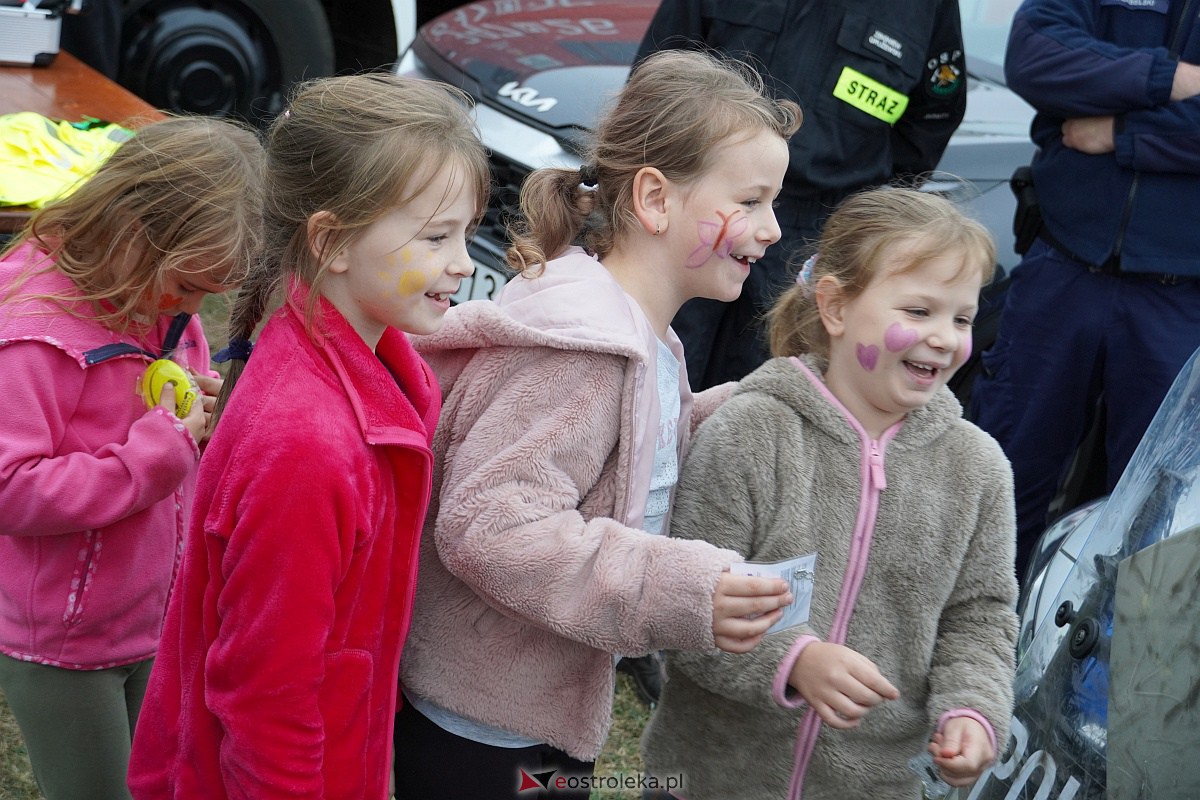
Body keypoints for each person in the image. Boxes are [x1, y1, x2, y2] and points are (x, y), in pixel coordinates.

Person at [392, 49, 800, 799]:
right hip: (479, 734)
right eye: (751, 200)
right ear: (654, 198)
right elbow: (492, 526)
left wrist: (751, 412)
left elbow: (620, 456)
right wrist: (678, 587)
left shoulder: (644, 338)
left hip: (525, 718)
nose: (772, 229)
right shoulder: (583, 350)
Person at [126, 73, 488, 800]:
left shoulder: (363, 364)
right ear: (333, 241)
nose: (464, 262)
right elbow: (266, 698)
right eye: (437, 236)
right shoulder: (310, 447)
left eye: (467, 234)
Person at [641, 188, 1019, 800]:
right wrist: (793, 661)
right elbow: (682, 602)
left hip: (872, 785)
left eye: (962, 318)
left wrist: (971, 711)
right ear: (836, 307)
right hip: (710, 775)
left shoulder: (977, 471)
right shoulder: (752, 432)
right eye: (919, 311)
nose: (945, 338)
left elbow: (980, 616)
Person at [0, 115, 265, 800]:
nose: (193, 309)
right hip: (66, 640)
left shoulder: (157, 304)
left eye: (210, 293)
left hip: (150, 610)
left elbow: (170, 402)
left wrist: (203, 413)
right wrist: (158, 451)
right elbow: (11, 488)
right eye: (186, 288)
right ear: (131, 232)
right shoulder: (34, 338)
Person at [970, 0, 1200, 583]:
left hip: (1181, 296)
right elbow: (1035, 56)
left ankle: (1112, 674)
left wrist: (1123, 134)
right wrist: (1171, 79)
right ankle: (958, 654)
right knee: (997, 479)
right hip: (1062, 267)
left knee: (1152, 525)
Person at [634, 0, 968, 392]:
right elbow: (658, 75)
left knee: (764, 406)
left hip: (816, 240)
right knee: (651, 384)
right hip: (699, 217)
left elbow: (933, 115)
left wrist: (857, 221)